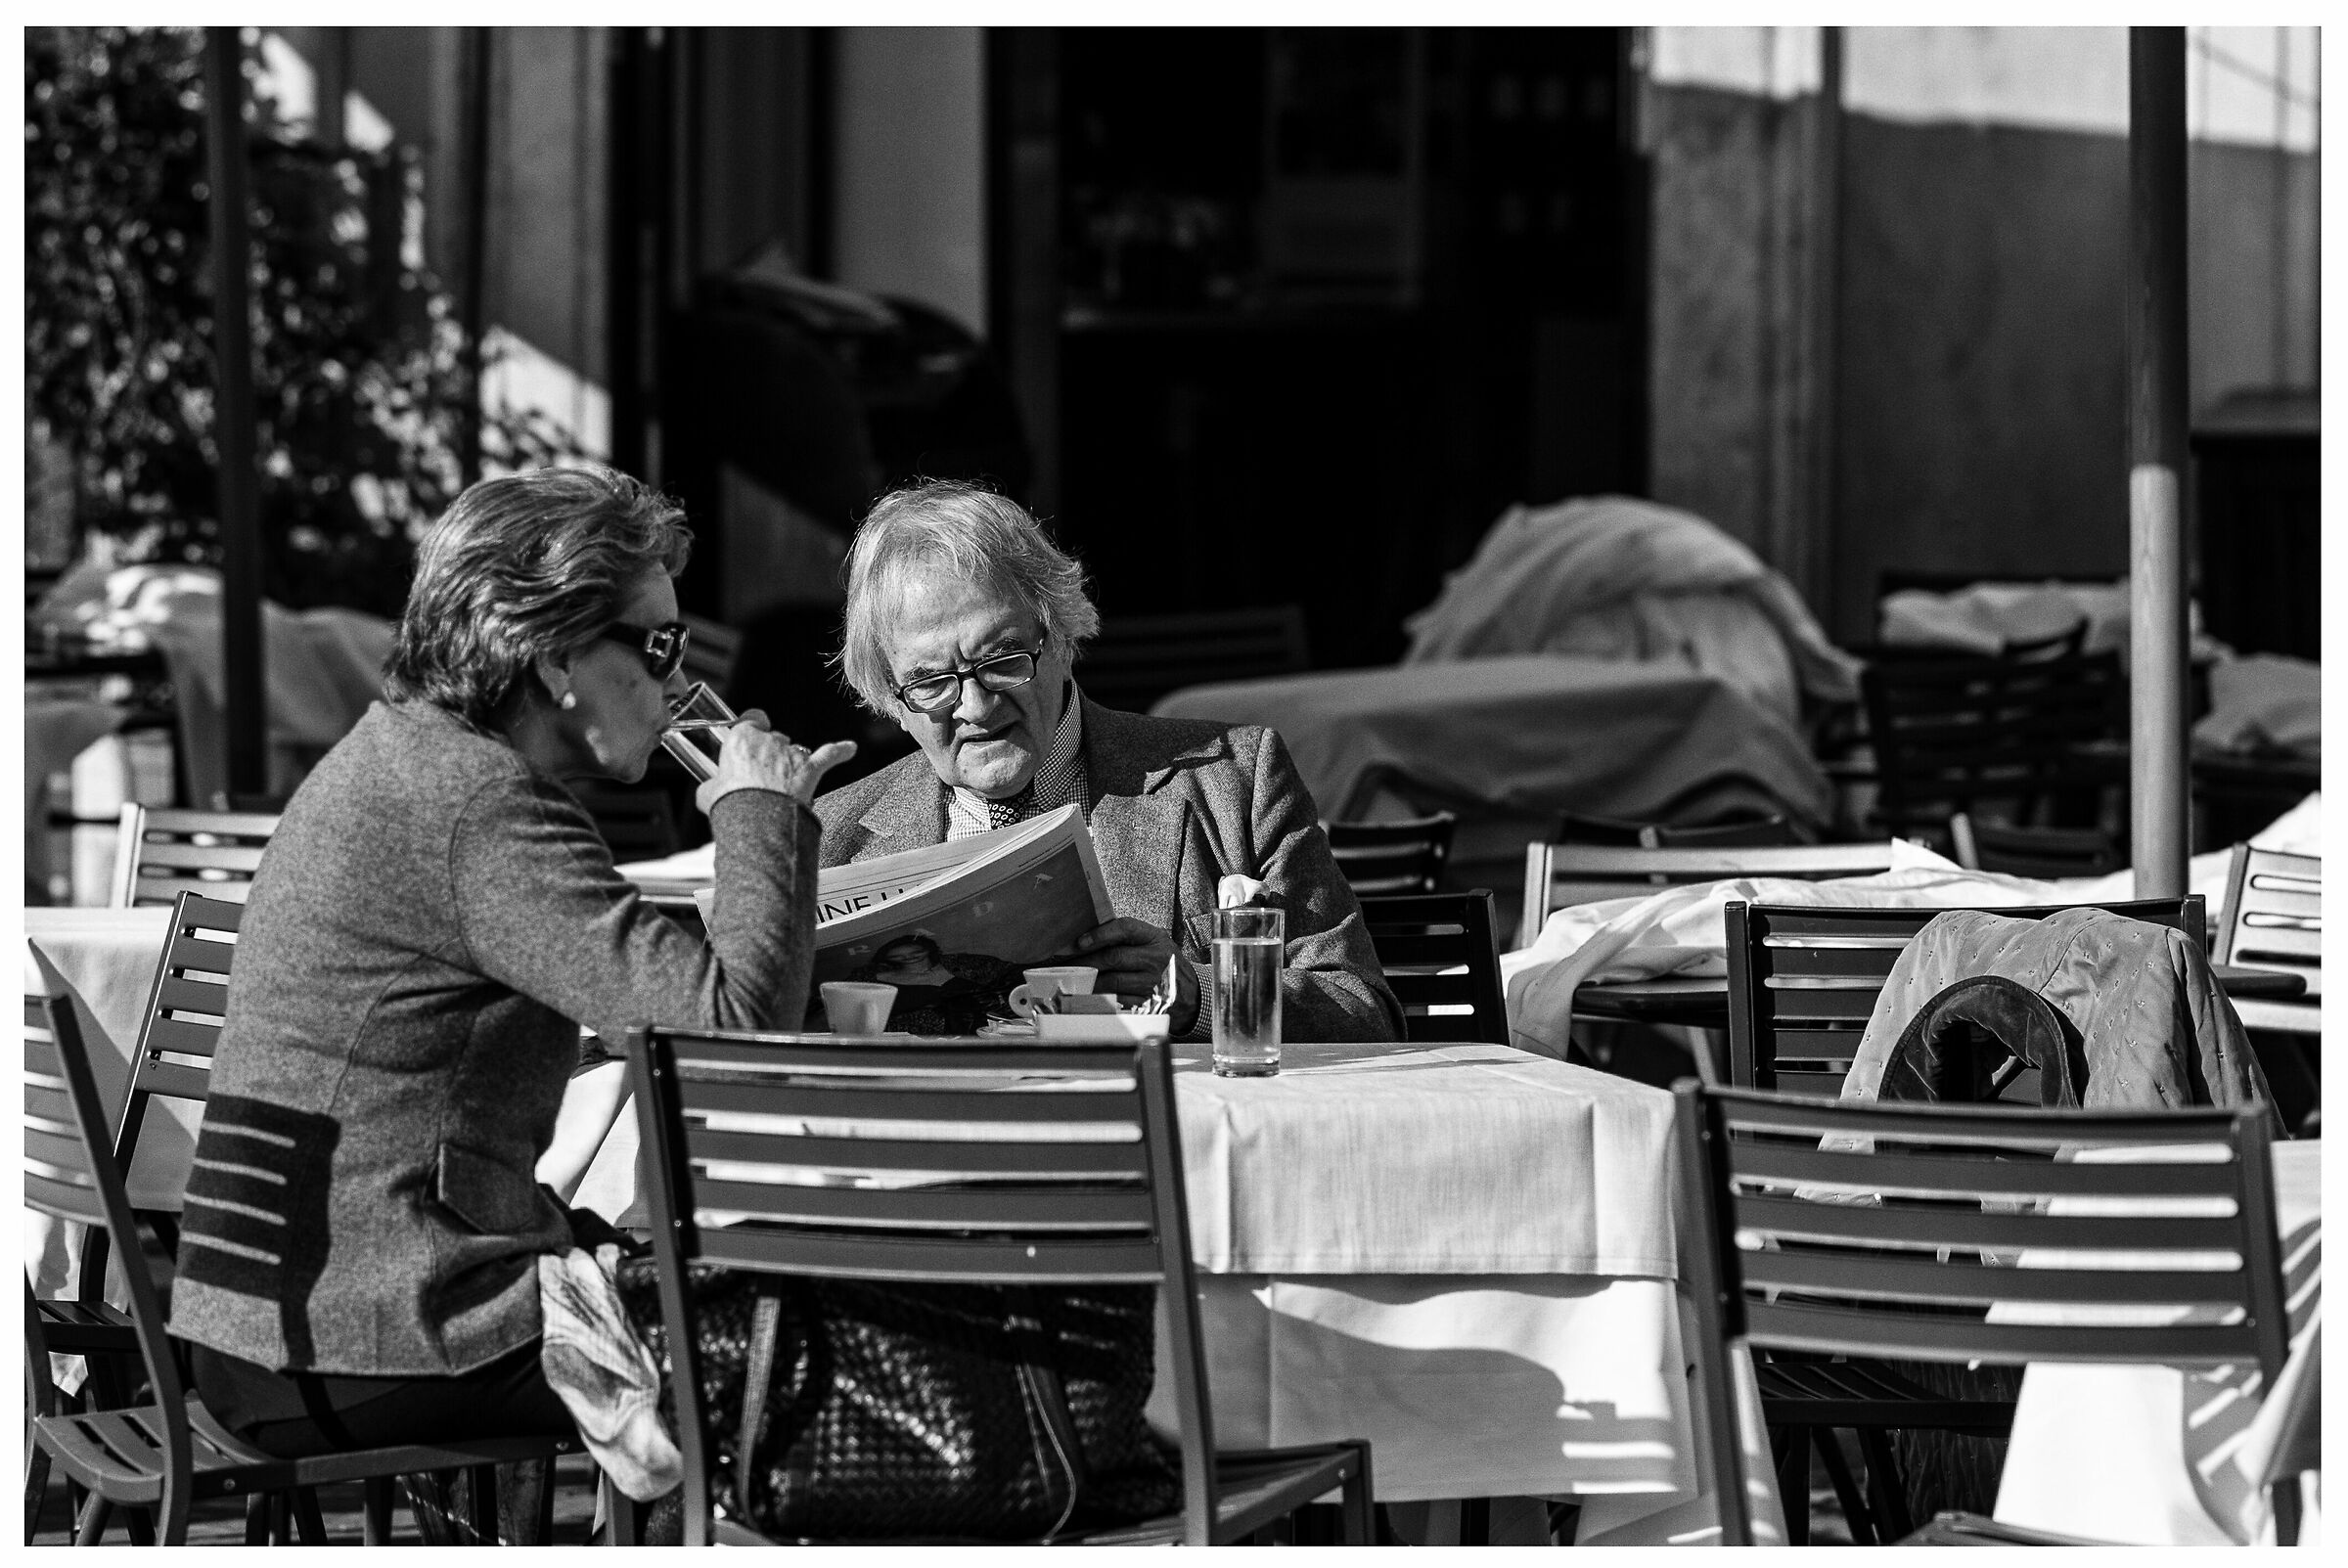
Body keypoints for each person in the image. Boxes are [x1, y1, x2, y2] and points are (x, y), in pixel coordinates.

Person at [166, 465, 855, 1471]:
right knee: (805, 1337)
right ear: (552, 655)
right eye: (658, 642)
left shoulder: (406, 756)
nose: (676, 678)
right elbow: (737, 1031)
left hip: (278, 1328)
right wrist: (763, 812)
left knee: (726, 1292)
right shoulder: (481, 808)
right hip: (380, 1338)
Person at [816, 478, 1401, 1042]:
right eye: (933, 682)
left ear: (1064, 638)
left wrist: (1196, 995)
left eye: (1002, 658)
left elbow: (1362, 1011)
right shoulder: (825, 838)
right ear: (889, 700)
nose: (975, 704)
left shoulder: (1235, 779)